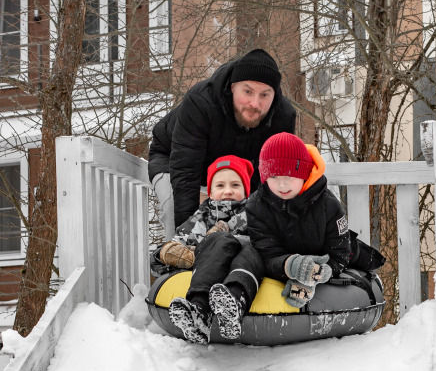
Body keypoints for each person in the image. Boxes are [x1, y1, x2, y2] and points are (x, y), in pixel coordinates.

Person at [148, 49, 296, 237]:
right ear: (233, 87)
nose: (255, 103)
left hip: (238, 172)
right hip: (174, 160)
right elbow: (185, 170)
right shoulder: (200, 102)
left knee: (251, 217)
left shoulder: (283, 117)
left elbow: (271, 176)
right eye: (248, 91)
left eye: (264, 95)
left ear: (274, 95)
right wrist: (184, 239)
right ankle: (176, 263)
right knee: (174, 209)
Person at [246, 132, 384, 308]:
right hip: (288, 255)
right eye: (273, 177)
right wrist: (290, 267)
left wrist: (319, 274)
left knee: (359, 256)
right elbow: (267, 254)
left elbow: (340, 253)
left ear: (303, 174)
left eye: (289, 176)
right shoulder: (256, 207)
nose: (282, 185)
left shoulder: (328, 204)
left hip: (333, 250)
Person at [158, 155, 264, 344]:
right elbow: (171, 247)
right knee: (217, 241)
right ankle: (199, 312)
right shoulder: (200, 219)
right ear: (211, 191)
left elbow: (266, 241)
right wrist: (174, 254)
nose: (228, 191)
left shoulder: (255, 214)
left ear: (246, 189)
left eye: (235, 185)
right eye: (220, 186)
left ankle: (232, 306)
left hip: (241, 268)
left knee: (225, 240)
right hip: (208, 272)